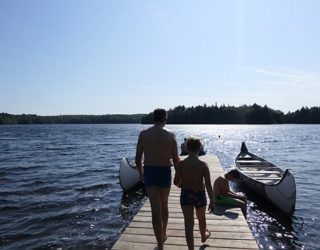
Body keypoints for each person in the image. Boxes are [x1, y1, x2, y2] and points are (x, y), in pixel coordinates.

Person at [135, 108, 180, 250]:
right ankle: (164, 232)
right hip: (165, 171)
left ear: (153, 118)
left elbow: (137, 159)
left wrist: (141, 173)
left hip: (150, 171)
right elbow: (176, 158)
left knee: (155, 209)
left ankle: (160, 244)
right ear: (165, 119)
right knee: (165, 205)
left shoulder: (143, 134)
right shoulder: (171, 135)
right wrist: (179, 175)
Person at [174, 136, 214, 250]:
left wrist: (183, 186)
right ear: (200, 148)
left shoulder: (180, 165)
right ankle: (203, 235)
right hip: (200, 194)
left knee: (188, 223)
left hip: (186, 194)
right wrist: (212, 200)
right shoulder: (203, 165)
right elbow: (208, 184)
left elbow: (176, 182)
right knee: (201, 217)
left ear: (186, 148)